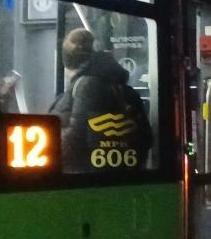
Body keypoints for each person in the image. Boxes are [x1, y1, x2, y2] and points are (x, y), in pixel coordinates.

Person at [49, 28, 150, 172]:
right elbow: (146, 138)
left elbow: (74, 139)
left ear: (68, 63)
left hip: (84, 179)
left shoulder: (86, 87)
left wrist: (47, 141)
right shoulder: (124, 89)